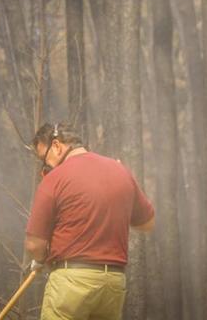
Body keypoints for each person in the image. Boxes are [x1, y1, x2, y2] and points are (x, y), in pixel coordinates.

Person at [24, 122, 155, 320]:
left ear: (57, 145)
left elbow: (34, 244)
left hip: (71, 282)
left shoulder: (55, 178)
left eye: (44, 159)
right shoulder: (121, 171)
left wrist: (39, 260)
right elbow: (148, 224)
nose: (46, 166)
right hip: (113, 283)